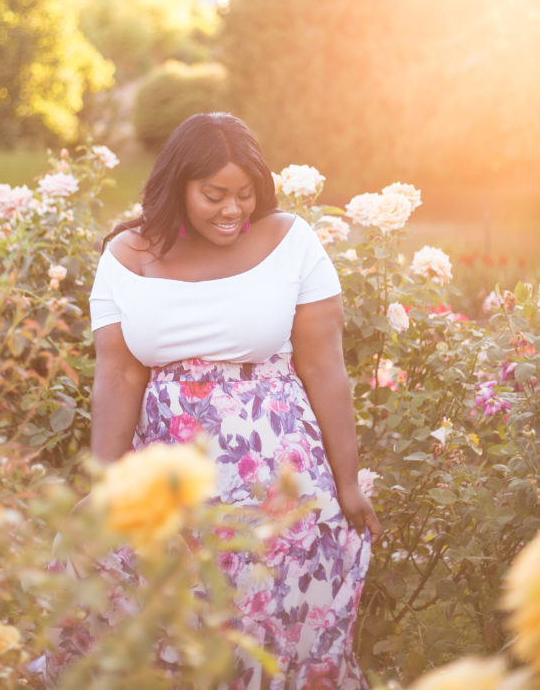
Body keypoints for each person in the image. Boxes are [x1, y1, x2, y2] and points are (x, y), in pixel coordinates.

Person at [52, 112, 380, 689]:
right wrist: (103, 487)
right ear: (177, 185)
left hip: (279, 482)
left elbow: (324, 365)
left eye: (245, 194)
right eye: (214, 195)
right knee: (168, 628)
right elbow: (120, 377)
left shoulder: (290, 241)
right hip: (171, 486)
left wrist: (348, 480)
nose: (233, 210)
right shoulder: (126, 258)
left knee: (273, 638)